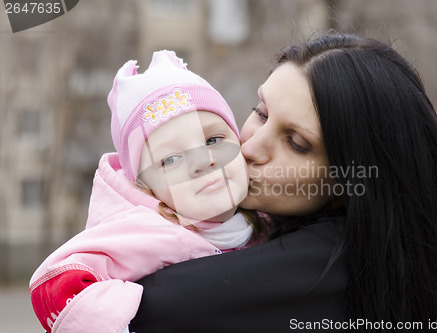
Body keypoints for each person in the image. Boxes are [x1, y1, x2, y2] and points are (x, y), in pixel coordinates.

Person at [129, 33, 437, 333]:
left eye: (296, 143)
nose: (248, 147)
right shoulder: (394, 259)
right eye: (261, 112)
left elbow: (155, 306)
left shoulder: (329, 266)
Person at [29, 50, 266, 333]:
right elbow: (54, 284)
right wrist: (131, 315)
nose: (204, 162)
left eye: (213, 139)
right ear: (147, 188)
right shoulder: (148, 231)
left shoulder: (273, 215)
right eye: (170, 159)